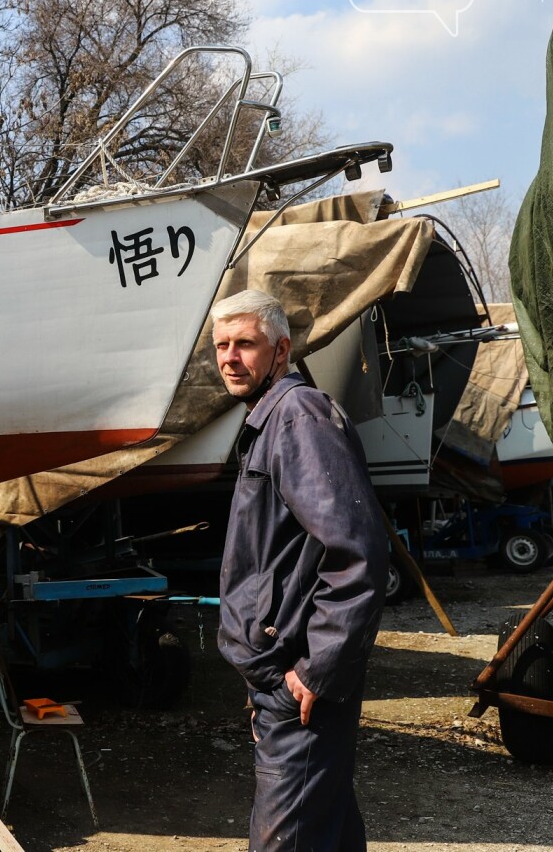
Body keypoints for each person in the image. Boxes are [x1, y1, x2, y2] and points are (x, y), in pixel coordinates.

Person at [211, 289, 387, 852]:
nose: (230, 358)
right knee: (327, 834)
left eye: (245, 344)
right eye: (221, 346)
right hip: (278, 677)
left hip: (299, 684)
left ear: (281, 350)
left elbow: (357, 552)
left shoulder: (297, 418)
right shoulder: (270, 421)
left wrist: (315, 669)